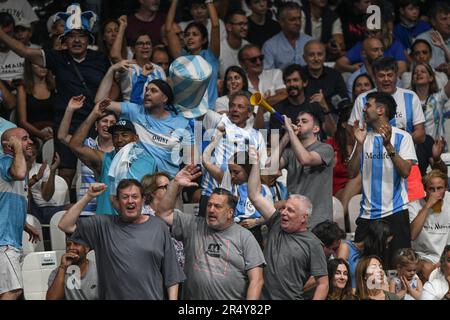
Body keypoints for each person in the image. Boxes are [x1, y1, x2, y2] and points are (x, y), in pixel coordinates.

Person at [0, 4, 111, 189]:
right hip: (66, 122)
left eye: (81, 36)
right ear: (64, 41)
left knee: (96, 168)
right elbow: (25, 52)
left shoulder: (99, 58)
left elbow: (113, 84)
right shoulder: (57, 57)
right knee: (66, 172)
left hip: (95, 120)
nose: (76, 41)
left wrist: (104, 105)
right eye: (71, 36)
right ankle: (64, 214)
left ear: (88, 39)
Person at [58, 180, 185, 300]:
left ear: (143, 200)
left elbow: (172, 273)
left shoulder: (158, 227)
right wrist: (88, 196)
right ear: (117, 202)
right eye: (125, 197)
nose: (130, 201)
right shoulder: (102, 225)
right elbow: (64, 225)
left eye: (135, 196)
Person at [156, 164, 266, 300]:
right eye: (209, 205)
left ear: (230, 213)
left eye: (218, 206)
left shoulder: (245, 237)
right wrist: (175, 184)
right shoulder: (193, 225)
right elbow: (163, 214)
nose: (211, 210)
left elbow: (257, 280)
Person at [347, 91, 417, 269]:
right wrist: (359, 144)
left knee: (396, 269)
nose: (363, 109)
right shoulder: (363, 137)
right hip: (367, 215)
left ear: (380, 109)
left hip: (395, 213)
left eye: (367, 105)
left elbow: (405, 171)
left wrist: (388, 146)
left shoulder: (402, 137)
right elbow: (351, 171)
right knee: (365, 271)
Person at [247, 155, 329, 300]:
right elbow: (254, 195)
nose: (283, 212)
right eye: (284, 208)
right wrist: (255, 163)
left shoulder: (313, 243)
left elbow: (323, 283)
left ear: (304, 218)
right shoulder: (276, 222)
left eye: (290, 210)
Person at [68, 98, 155, 215]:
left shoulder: (149, 162)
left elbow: (152, 197)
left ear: (135, 138)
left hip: (136, 226)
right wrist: (94, 114)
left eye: (124, 135)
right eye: (115, 136)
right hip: (107, 226)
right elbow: (75, 145)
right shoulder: (105, 159)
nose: (119, 140)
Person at [100, 78, 193, 178]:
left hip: (167, 183)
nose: (147, 93)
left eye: (153, 91)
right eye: (146, 90)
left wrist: (179, 185)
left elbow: (192, 160)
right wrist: (112, 70)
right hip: (139, 182)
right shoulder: (135, 111)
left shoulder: (181, 123)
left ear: (165, 98)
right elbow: (99, 102)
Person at [199, 91, 267, 217]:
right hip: (210, 196)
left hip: (238, 200)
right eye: (232, 105)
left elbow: (260, 170)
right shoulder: (219, 121)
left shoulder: (257, 137)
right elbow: (198, 109)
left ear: (249, 113)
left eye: (240, 107)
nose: (235, 109)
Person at [272, 109, 334, 228]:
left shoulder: (326, 149)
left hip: (319, 220)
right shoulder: (290, 151)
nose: (299, 124)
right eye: (297, 121)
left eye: (304, 121)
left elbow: (306, 159)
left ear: (316, 129)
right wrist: (286, 136)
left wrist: (290, 130)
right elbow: (270, 167)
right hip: (294, 219)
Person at [0, 127, 40, 300]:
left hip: (9, 240)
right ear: (10, 145)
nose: (30, 142)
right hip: (4, 242)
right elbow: (19, 172)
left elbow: (8, 203)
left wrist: (25, 225)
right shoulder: (5, 161)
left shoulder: (16, 164)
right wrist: (16, 150)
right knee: (13, 291)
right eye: (24, 139)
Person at [58, 96, 116, 213]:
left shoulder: (119, 151)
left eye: (112, 123)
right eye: (104, 121)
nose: (108, 125)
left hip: (109, 209)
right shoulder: (85, 145)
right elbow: (62, 136)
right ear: (96, 125)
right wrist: (70, 109)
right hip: (86, 207)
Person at [349, 57, 426, 144]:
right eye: (381, 76)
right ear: (374, 77)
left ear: (396, 76)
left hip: (403, 156)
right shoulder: (362, 100)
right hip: (372, 156)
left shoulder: (411, 97)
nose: (386, 79)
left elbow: (421, 135)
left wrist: (397, 141)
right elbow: (352, 134)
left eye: (390, 75)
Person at [166, 0, 220, 107]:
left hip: (210, 111)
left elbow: (215, 25)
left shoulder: (211, 55)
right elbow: (168, 29)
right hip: (187, 112)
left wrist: (208, 1)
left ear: (204, 40)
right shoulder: (182, 57)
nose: (190, 37)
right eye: (187, 35)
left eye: (195, 34)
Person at [409, 170, 450, 281]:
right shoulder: (414, 206)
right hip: (424, 257)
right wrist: (427, 206)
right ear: (425, 189)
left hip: (446, 255)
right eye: (431, 189)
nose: (435, 193)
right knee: (426, 268)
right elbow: (412, 235)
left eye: (439, 188)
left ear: (446, 188)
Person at [140, 172, 185, 268]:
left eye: (171, 186)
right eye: (165, 187)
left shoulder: (177, 214)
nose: (170, 190)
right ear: (152, 192)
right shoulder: (143, 216)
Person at [336, 16, 408, 75]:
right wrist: (352, 68)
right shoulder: (362, 45)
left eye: (374, 32)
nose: (370, 36)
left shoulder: (394, 44)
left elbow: (402, 67)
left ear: (383, 30)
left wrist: (387, 79)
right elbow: (340, 63)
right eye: (367, 33)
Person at [326, 104, 362, 222]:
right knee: (359, 177)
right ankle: (339, 219)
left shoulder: (366, 141)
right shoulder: (332, 144)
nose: (359, 124)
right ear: (344, 124)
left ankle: (339, 219)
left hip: (364, 189)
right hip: (336, 191)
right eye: (355, 121)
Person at [238, 43, 287, 128]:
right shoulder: (240, 82)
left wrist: (260, 104)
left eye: (261, 58)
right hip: (253, 126)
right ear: (242, 63)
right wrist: (270, 102)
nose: (258, 62)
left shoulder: (275, 74)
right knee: (261, 140)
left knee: (275, 141)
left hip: (276, 124)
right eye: (253, 60)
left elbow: (284, 95)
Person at [337, 219, 393, 288]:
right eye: (386, 243)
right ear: (377, 240)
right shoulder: (346, 248)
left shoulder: (373, 258)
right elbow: (338, 276)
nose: (387, 247)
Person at [301, 40, 349, 114]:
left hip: (332, 117)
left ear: (325, 56)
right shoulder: (299, 75)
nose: (316, 59)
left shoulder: (335, 75)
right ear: (304, 58)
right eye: (311, 55)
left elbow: (344, 100)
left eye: (320, 54)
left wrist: (325, 105)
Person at [262, 2, 313, 70]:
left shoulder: (311, 42)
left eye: (299, 18)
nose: (298, 23)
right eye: (292, 20)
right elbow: (268, 75)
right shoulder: (269, 46)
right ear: (281, 22)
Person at [46, 236, 98, 300]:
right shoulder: (58, 273)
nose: (71, 248)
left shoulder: (99, 271)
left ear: (86, 248)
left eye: (76, 244)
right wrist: (63, 267)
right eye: (68, 245)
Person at [27, 141, 66, 225]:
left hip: (47, 208)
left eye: (33, 153)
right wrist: (37, 178)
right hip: (31, 209)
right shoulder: (16, 168)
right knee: (27, 192)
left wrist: (52, 171)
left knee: (74, 208)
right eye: (28, 151)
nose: (30, 155)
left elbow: (47, 197)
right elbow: (23, 187)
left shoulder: (41, 168)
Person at [17, 59, 55, 142]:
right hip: (33, 133)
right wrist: (40, 134)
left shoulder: (55, 87)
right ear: (29, 67)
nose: (43, 67)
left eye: (44, 64)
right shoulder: (22, 89)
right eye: (38, 64)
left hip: (54, 130)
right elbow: (22, 122)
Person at [410, 61, 450, 140]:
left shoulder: (438, 98)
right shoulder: (408, 100)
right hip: (415, 150)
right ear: (413, 80)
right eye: (415, 72)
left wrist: (444, 48)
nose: (418, 73)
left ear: (431, 78)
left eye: (423, 71)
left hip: (437, 149)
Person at [416, 2, 450, 70]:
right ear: (433, 21)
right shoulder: (422, 40)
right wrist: (436, 70)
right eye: (444, 19)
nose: (449, 23)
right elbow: (418, 68)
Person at [219, 10, 249, 78]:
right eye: (240, 24)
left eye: (246, 24)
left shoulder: (248, 47)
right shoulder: (219, 49)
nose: (245, 28)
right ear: (229, 27)